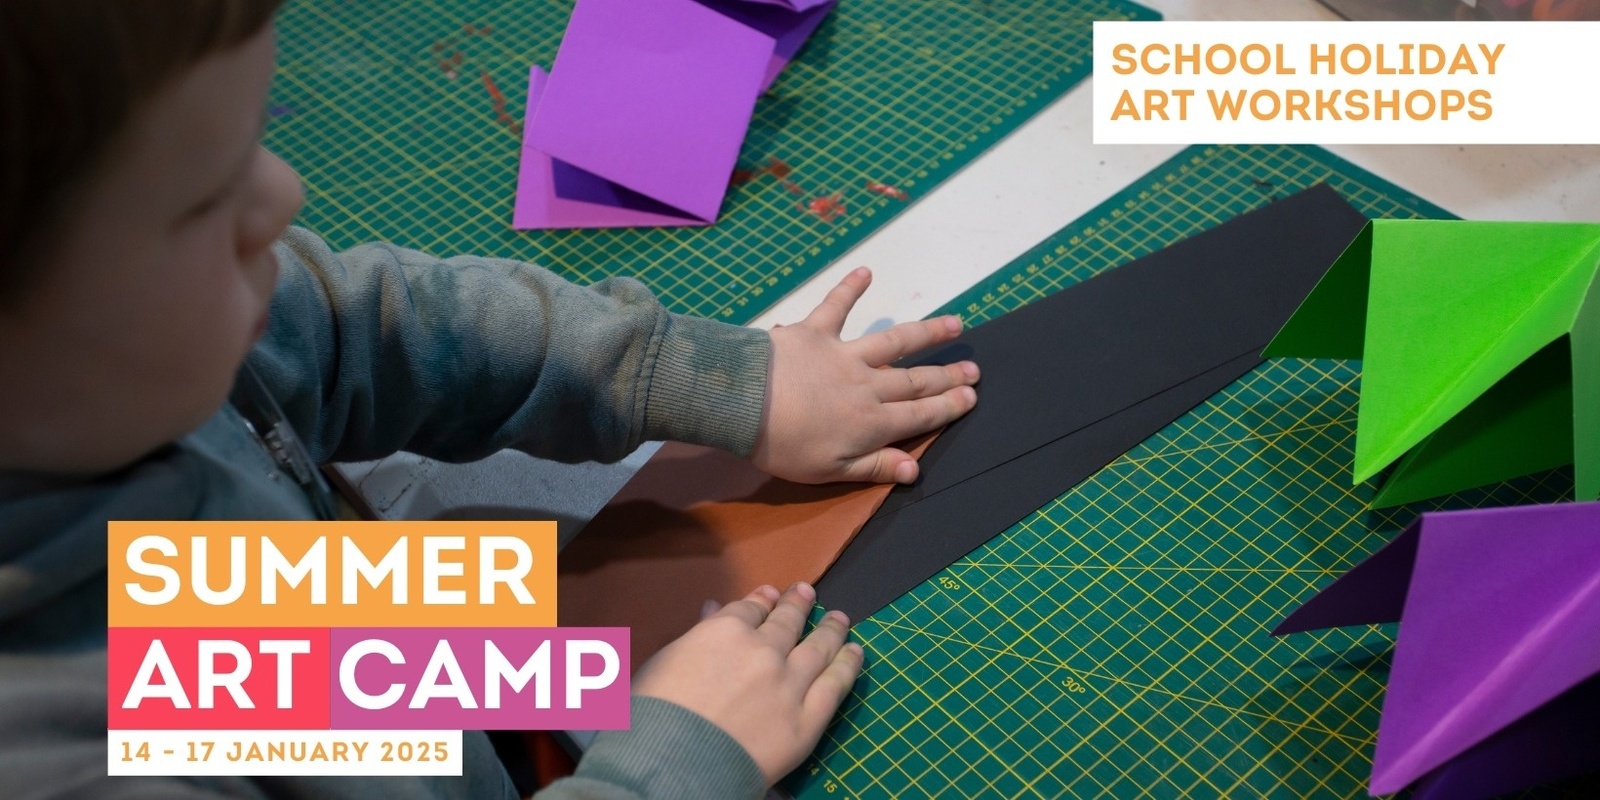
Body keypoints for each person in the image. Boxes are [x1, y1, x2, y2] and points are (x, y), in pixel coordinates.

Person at [0, 1, 980, 798]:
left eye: (253, 142)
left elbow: (383, 330)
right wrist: (663, 773)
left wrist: (698, 375)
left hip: (366, 669)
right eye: (202, 200)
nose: (282, 198)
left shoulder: (119, 378)